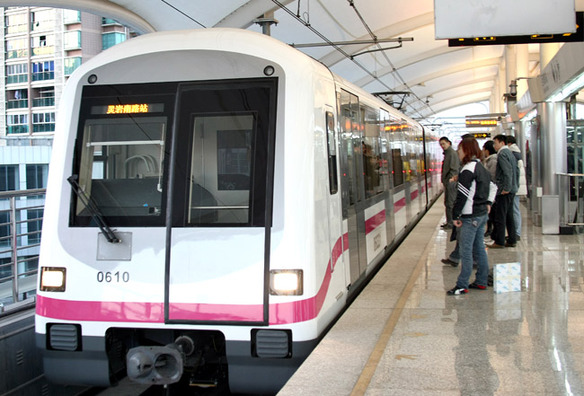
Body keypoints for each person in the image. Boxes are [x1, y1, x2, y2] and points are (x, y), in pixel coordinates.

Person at [447, 137, 497, 295]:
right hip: (481, 214)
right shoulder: (481, 167)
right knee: (479, 248)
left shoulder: (468, 169)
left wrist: (455, 216)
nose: (459, 152)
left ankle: (462, 284)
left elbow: (462, 196)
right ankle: (482, 281)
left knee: (465, 251)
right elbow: (493, 186)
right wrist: (488, 202)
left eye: (460, 149)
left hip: (470, 216)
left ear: (466, 150)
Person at [488, 135, 519, 249]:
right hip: (512, 189)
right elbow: (516, 170)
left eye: (495, 143)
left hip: (504, 191)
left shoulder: (502, 154)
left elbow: (507, 172)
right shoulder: (510, 153)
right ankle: (512, 239)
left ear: (501, 143)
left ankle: (500, 241)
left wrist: (506, 188)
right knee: (509, 215)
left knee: (500, 216)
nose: (494, 146)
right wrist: (514, 186)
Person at [507, 136, 527, 241]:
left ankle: (517, 232)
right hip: (518, 186)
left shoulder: (512, 154)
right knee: (515, 209)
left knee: (514, 209)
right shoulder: (516, 153)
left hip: (516, 186)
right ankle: (515, 232)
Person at [439, 136, 460, 229]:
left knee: (450, 203)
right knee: (448, 202)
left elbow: (454, 169)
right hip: (448, 182)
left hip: (450, 182)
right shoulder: (448, 153)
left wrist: (449, 181)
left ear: (449, 143)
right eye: (441, 144)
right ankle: (449, 222)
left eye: (444, 143)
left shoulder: (452, 154)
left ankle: (451, 223)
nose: (442, 146)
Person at [482, 140, 497, 236]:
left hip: (492, 191)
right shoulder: (489, 160)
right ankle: (490, 229)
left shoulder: (492, 160)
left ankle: (492, 230)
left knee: (492, 213)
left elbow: (491, 177)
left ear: (487, 150)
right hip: (492, 190)